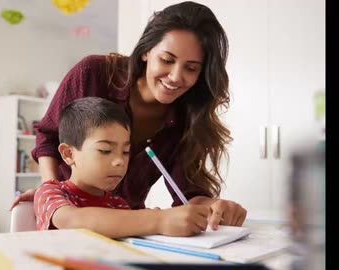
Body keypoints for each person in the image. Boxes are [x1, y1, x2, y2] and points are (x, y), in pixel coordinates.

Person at [12, 1, 247, 230]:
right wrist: (52, 190)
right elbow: (49, 136)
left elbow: (187, 194)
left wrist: (214, 206)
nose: (176, 76)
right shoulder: (93, 73)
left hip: (128, 229)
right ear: (146, 51)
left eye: (191, 68)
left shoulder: (188, 117)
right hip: (74, 219)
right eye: (167, 60)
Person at [34, 96, 210, 237]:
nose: (120, 161)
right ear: (68, 154)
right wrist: (158, 220)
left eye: (126, 151)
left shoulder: (118, 205)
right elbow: (73, 220)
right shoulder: (50, 192)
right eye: (105, 150)